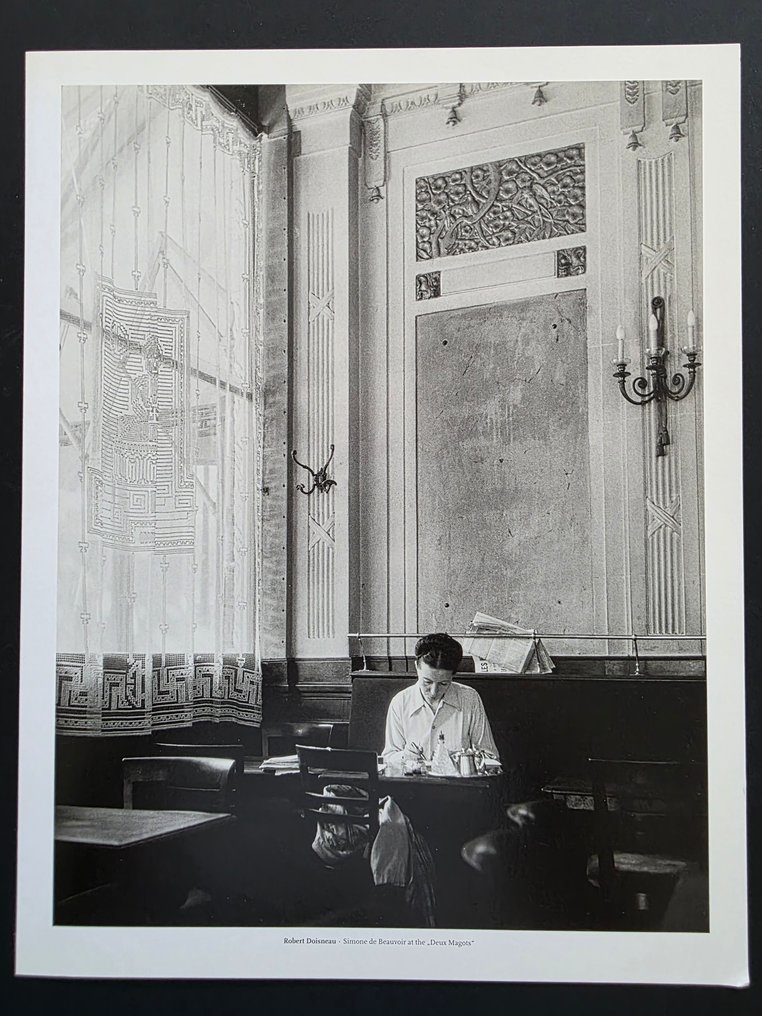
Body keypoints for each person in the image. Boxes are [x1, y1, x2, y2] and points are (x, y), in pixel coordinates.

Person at [382, 632, 499, 769]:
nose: (433, 692)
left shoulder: (469, 698)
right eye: (427, 682)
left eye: (443, 684)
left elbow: (490, 757)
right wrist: (405, 756)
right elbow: (388, 757)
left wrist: (466, 760)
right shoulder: (400, 702)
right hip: (414, 785)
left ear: (453, 676)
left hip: (459, 787)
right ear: (416, 666)